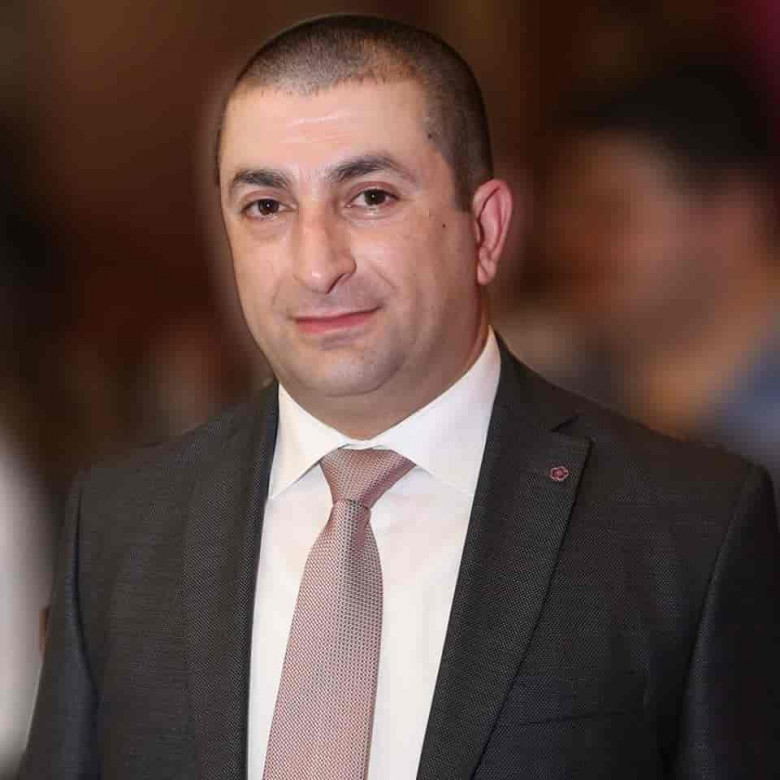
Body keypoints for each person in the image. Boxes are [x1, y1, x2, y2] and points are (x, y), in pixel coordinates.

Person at [20, 16, 779, 779]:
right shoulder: (122, 529)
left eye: (371, 197)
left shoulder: (687, 530)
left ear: (485, 231)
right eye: (267, 207)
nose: (316, 265)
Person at [535, 57, 780, 506]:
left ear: (732, 217)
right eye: (563, 212)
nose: (570, 242)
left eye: (610, 213)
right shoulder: (541, 382)